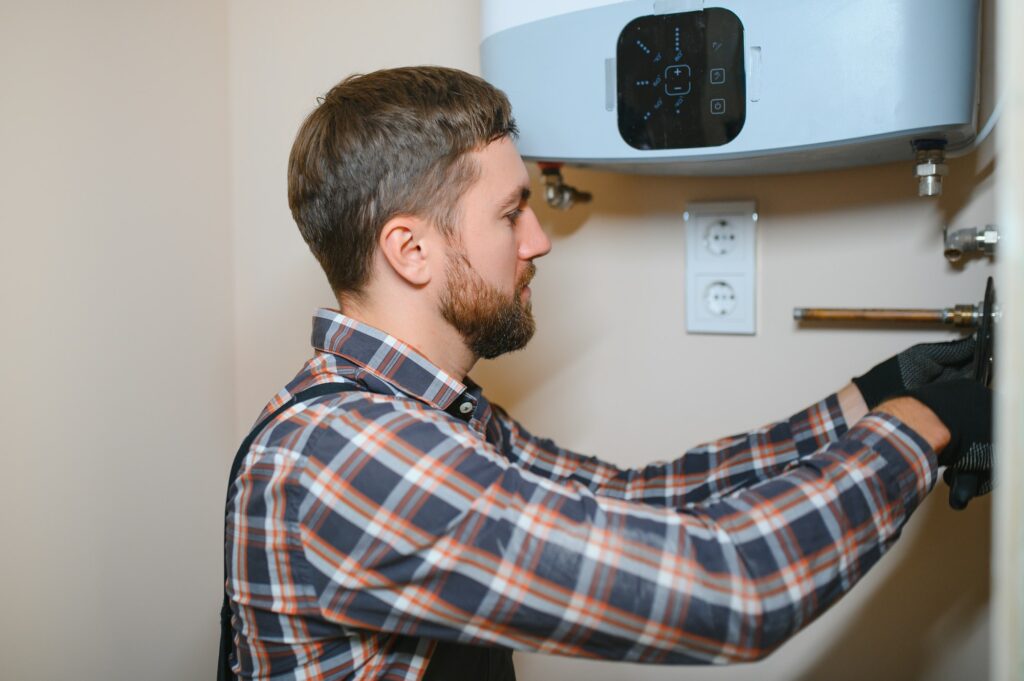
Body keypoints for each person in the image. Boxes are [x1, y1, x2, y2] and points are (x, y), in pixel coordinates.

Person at [221, 66, 993, 681]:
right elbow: (734, 588)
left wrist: (872, 397)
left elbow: (631, 496)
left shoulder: (427, 417)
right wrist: (925, 425)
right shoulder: (351, 455)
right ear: (410, 250)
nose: (539, 239)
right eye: (510, 212)